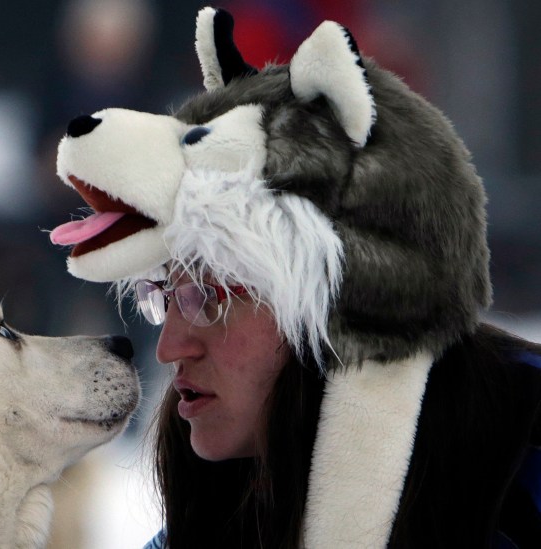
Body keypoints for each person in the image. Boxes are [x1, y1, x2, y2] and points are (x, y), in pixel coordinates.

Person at [46, 6, 541, 548]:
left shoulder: (523, 481)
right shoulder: (218, 513)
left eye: (206, 297)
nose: (169, 348)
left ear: (347, 303)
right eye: (164, 295)